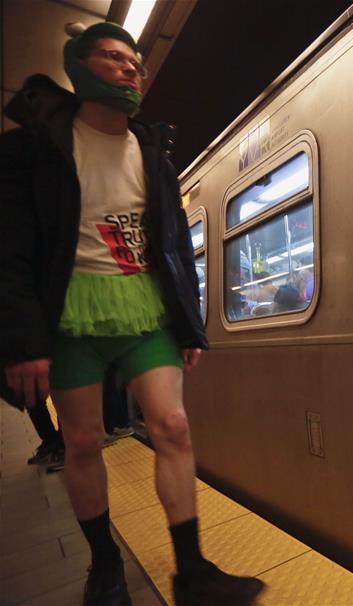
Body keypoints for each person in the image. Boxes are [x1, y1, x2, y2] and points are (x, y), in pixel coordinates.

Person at [0, 23, 265, 605]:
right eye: (113, 57)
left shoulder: (151, 153)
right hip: (71, 314)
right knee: (85, 443)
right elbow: (10, 245)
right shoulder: (33, 148)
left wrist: (189, 323)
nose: (130, 70)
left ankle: (191, 570)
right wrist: (21, 341)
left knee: (172, 427)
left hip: (144, 308)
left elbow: (173, 246)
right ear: (79, 63)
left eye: (136, 63)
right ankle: (105, 566)